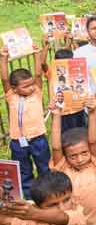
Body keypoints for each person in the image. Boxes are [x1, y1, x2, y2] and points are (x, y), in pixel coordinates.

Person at [0, 44, 50, 200]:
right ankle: (29, 196)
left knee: (44, 167)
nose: (31, 88)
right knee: (24, 170)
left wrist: (36, 54)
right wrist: (4, 59)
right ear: (14, 89)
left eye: (31, 84)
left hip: (38, 139)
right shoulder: (11, 96)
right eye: (26, 86)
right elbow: (5, 79)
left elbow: (37, 75)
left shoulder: (37, 94)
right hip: (18, 141)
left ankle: (47, 192)